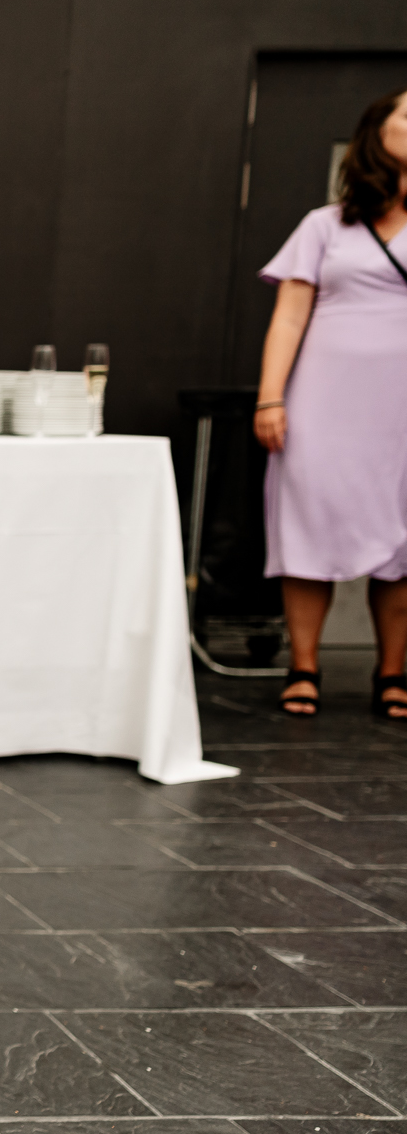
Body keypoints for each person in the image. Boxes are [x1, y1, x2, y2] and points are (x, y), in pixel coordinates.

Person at [253, 87, 407, 721]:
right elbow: (289, 317)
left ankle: (393, 672)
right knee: (309, 523)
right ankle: (304, 665)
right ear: (379, 130)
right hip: (323, 400)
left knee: (402, 536)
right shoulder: (326, 224)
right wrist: (270, 398)